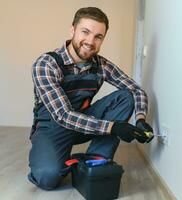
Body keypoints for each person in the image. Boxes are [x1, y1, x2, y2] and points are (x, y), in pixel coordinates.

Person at [28, 7, 153, 190]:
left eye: (98, 36)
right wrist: (114, 127)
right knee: (47, 178)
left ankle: (94, 163)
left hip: (83, 124)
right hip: (52, 129)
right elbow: (63, 115)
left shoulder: (101, 65)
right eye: (85, 32)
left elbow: (136, 90)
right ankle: (65, 161)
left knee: (126, 96)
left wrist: (140, 119)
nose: (90, 41)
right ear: (72, 30)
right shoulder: (46, 64)